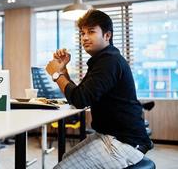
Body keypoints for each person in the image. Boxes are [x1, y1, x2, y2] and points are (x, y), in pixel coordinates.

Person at [46, 9, 152, 169]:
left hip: (123, 142)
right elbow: (79, 94)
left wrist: (56, 74)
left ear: (107, 35)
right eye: (82, 33)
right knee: (65, 157)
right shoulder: (103, 59)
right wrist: (63, 71)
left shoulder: (109, 61)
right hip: (110, 135)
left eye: (91, 32)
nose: (85, 38)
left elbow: (80, 100)